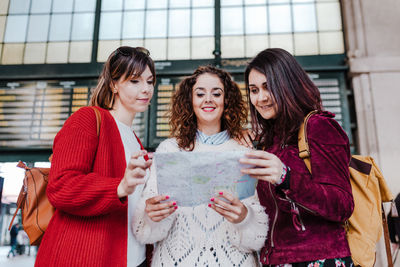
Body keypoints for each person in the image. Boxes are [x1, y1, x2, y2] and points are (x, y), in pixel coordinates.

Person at [132, 66, 269, 266]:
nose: (208, 99)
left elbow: (257, 237)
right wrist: (152, 216)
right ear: (190, 101)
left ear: (227, 100)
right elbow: (143, 231)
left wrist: (244, 218)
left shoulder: (245, 153)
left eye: (216, 93)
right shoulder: (169, 150)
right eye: (200, 94)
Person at [35, 46, 155, 267]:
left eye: (150, 81)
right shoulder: (88, 119)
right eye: (135, 81)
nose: (146, 89)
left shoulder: (134, 139)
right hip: (87, 255)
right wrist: (119, 187)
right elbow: (60, 186)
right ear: (113, 84)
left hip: (133, 257)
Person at [238, 48, 354, 266]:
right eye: (254, 90)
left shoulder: (319, 126)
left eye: (268, 87)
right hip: (275, 260)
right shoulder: (268, 141)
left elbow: (342, 205)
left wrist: (286, 177)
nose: (260, 98)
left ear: (287, 84)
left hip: (318, 258)